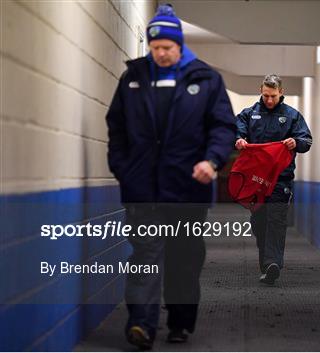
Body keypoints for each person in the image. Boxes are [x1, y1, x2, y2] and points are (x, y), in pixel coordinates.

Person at [106, 4, 236, 349]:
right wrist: (123, 167)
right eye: (155, 48)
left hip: (188, 188)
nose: (160, 53)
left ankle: (180, 322)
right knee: (145, 256)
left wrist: (212, 161)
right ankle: (142, 325)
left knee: (184, 258)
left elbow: (223, 127)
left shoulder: (205, 80)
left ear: (180, 46)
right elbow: (116, 127)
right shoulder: (133, 79)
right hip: (143, 188)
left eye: (167, 47)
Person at [235, 74, 312, 285]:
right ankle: (267, 263)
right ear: (261, 90)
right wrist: (239, 139)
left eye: (274, 96)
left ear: (281, 93)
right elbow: (236, 130)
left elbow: (306, 140)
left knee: (276, 221)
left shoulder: (292, 116)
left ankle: (272, 264)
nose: (269, 100)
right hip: (255, 181)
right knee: (259, 223)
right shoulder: (249, 115)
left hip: (281, 180)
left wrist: (295, 142)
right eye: (266, 95)